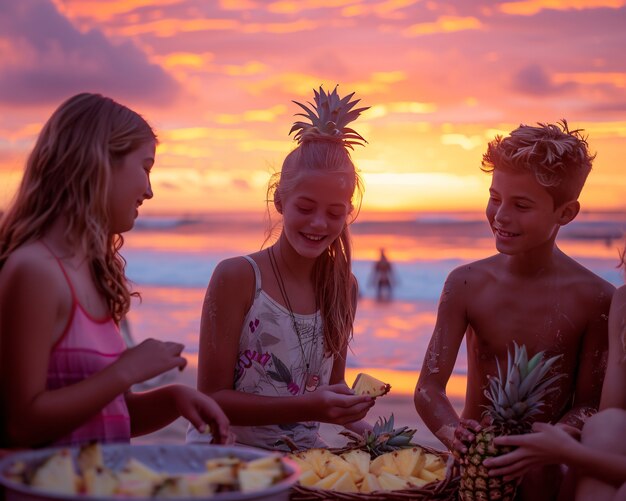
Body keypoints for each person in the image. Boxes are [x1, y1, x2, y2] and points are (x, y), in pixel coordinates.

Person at [0, 93, 229, 448]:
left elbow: (104, 414)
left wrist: (173, 401)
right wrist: (128, 369)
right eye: (145, 167)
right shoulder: (34, 272)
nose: (149, 191)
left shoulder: (92, 275)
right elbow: (21, 423)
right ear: (100, 162)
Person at [413, 120, 615, 500]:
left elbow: (590, 404)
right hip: (474, 469)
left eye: (521, 205)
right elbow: (427, 388)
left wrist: (551, 442)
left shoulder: (596, 299)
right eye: (495, 197)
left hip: (546, 476)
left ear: (565, 213)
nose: (501, 215)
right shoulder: (465, 284)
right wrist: (453, 433)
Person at [190, 86, 374, 451]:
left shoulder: (343, 287)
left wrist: (364, 423)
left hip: (304, 465)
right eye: (305, 208)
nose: (319, 223)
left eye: (335, 213)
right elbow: (211, 398)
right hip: (229, 460)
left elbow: (328, 392)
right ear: (279, 199)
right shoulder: (238, 277)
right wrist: (309, 405)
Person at [484, 254, 626, 499]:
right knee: (607, 423)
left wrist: (569, 453)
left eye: (523, 211)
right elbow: (606, 424)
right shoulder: (623, 303)